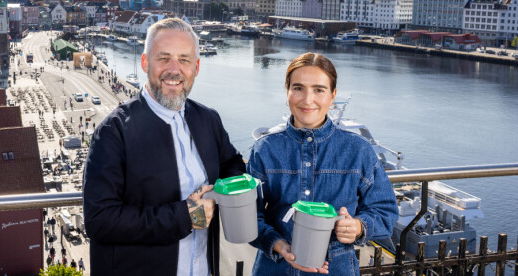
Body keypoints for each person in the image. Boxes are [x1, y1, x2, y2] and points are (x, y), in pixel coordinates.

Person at [83, 18, 246, 276]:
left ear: (197, 66)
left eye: (184, 59)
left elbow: (233, 164)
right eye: (164, 58)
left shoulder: (208, 119)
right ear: (145, 62)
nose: (174, 69)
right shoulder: (113, 132)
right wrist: (186, 215)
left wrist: (225, 192)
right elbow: (99, 221)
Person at [247, 52, 398, 275]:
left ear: (332, 95)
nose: (308, 100)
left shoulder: (358, 150)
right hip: (274, 268)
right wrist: (278, 244)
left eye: (319, 90)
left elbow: (386, 211)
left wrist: (358, 227)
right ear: (287, 92)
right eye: (298, 88)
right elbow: (249, 216)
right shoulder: (265, 148)